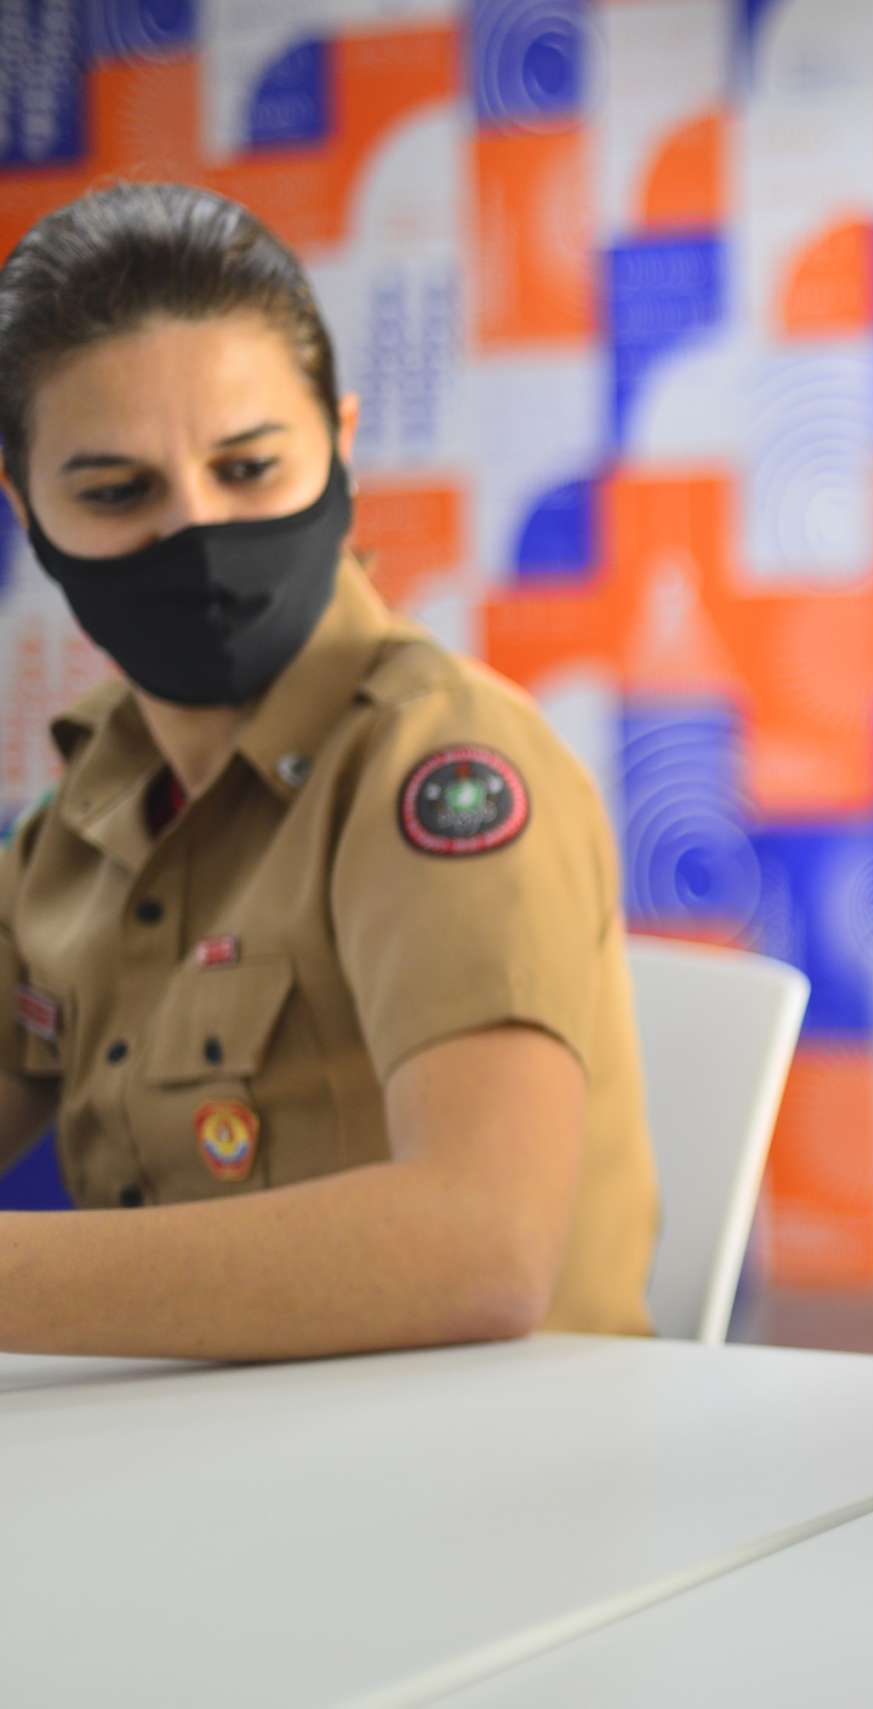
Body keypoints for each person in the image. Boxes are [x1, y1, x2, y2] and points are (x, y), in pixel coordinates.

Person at [0, 183, 658, 1355]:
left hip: (492, 1496)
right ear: (26, 507)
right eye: (116, 493)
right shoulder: (82, 810)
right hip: (193, 1485)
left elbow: (480, 1241)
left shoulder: (442, 764)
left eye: (249, 468)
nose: (193, 529)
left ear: (341, 446)